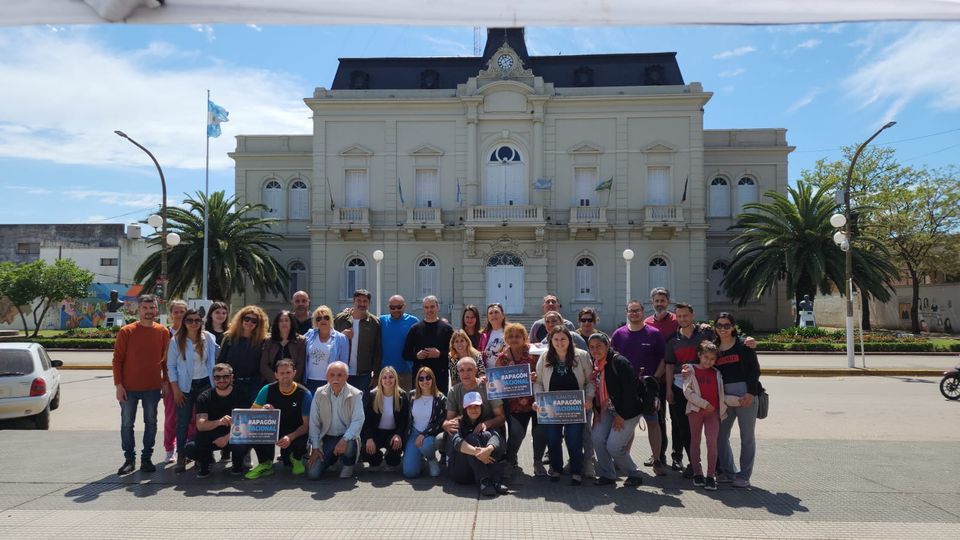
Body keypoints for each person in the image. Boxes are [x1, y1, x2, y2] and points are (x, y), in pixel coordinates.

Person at [112, 294, 171, 475]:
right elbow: (117, 360)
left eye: (152, 308)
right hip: (128, 389)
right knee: (127, 424)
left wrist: (165, 382)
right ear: (139, 310)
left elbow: (166, 362)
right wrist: (119, 385)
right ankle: (129, 459)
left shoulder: (162, 332)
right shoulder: (126, 331)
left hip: (152, 388)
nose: (149, 312)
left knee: (151, 423)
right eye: (145, 308)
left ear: (156, 309)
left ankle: (147, 459)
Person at [610, 299, 668, 476]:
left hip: (648, 389)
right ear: (626, 313)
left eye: (637, 310)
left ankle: (657, 459)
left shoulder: (654, 334)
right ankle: (624, 460)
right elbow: (612, 360)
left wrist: (655, 379)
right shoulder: (618, 334)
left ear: (643, 312)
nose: (634, 313)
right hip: (627, 390)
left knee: (653, 422)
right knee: (628, 425)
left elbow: (663, 359)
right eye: (631, 311)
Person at [534, 326, 595, 485]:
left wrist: (589, 398)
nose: (560, 342)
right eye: (556, 339)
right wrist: (538, 400)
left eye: (563, 339)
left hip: (575, 407)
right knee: (553, 439)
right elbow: (539, 382)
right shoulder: (545, 357)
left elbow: (590, 382)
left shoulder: (581, 356)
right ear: (551, 341)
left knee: (574, 439)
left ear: (570, 340)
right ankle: (556, 468)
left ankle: (576, 470)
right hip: (551, 407)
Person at [711, 312, 762, 488]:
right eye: (719, 325)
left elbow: (754, 370)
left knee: (746, 436)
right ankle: (727, 471)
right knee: (720, 436)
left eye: (726, 325)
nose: (723, 329)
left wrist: (750, 393)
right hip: (723, 396)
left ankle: (744, 474)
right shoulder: (713, 348)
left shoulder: (743, 345)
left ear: (733, 326)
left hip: (745, 395)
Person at [587, 332, 645, 487]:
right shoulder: (596, 363)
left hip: (627, 411)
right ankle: (608, 475)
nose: (595, 350)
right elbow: (598, 391)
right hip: (608, 410)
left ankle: (634, 474)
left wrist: (621, 415)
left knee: (614, 446)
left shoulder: (619, 362)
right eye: (592, 347)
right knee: (597, 438)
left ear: (607, 346)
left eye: (599, 346)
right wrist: (597, 412)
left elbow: (630, 392)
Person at [166, 308, 217, 473]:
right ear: (184, 322)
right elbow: (171, 367)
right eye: (190, 320)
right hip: (185, 387)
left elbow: (217, 357)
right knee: (183, 422)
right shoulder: (176, 341)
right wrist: (176, 390)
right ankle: (182, 455)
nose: (194, 323)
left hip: (205, 385)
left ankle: (201, 455)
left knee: (203, 423)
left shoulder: (208, 338)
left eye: (197, 320)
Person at [244, 359, 313, 479]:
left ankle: (296, 458)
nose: (285, 376)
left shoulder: (304, 393)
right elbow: (251, 415)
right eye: (282, 373)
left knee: (292, 455)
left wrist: (290, 437)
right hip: (273, 430)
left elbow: (307, 425)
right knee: (253, 432)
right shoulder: (267, 389)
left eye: (288, 372)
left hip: (296, 431)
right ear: (275, 374)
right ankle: (265, 463)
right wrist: (263, 411)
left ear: (294, 373)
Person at [182, 363, 251, 477]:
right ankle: (206, 461)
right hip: (211, 435)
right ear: (213, 379)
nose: (221, 380)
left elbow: (247, 423)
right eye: (217, 377)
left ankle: (237, 463)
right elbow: (201, 425)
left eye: (225, 376)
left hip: (234, 434)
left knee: (244, 442)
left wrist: (226, 438)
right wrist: (219, 422)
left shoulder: (241, 394)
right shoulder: (204, 397)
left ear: (231, 377)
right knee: (190, 448)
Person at [683, 340, 734, 491]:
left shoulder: (717, 373)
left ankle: (711, 475)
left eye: (712, 359)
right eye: (706, 357)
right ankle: (698, 473)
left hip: (714, 414)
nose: (708, 361)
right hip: (696, 412)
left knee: (712, 442)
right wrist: (705, 404)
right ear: (699, 355)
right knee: (695, 441)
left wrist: (739, 400)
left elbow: (722, 395)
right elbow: (687, 392)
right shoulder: (690, 370)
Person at [493, 323, 541, 474]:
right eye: (511, 336)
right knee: (517, 433)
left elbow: (545, 372)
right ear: (506, 339)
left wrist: (537, 376)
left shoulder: (535, 353)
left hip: (536, 400)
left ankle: (538, 462)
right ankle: (510, 459)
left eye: (518, 336)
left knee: (540, 433)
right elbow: (497, 382)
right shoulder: (502, 359)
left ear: (524, 338)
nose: (514, 339)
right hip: (514, 404)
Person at [307, 361, 365, 479]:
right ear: (326, 376)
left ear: (347, 377)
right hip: (327, 437)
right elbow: (314, 422)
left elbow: (358, 420)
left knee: (350, 442)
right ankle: (332, 459)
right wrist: (316, 447)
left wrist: (344, 439)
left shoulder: (355, 394)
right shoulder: (319, 393)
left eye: (340, 375)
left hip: (346, 438)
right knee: (313, 474)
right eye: (332, 375)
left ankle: (348, 465)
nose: (335, 378)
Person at [447, 391, 509, 496]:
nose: (474, 410)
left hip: (477, 467)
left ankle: (494, 479)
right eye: (470, 407)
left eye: (477, 406)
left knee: (487, 436)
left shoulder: (485, 421)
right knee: (471, 438)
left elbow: (497, 437)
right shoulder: (455, 423)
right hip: (460, 471)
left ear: (482, 407)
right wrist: (479, 452)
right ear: (464, 409)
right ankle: (485, 480)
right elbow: (457, 442)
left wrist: (488, 450)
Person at [444, 357, 506, 440]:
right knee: (440, 439)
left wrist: (486, 424)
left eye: (469, 369)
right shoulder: (454, 391)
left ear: (476, 370)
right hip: (465, 429)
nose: (465, 374)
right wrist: (446, 424)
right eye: (461, 370)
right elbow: (450, 419)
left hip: (488, 430)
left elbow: (501, 418)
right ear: (458, 373)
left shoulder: (488, 386)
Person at [361, 367, 410, 472]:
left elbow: (404, 420)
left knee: (394, 459)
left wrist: (398, 434)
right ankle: (377, 458)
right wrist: (369, 438)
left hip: (393, 433)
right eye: (385, 377)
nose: (388, 380)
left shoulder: (402, 396)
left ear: (395, 379)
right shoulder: (372, 395)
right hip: (376, 433)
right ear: (380, 380)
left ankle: (390, 457)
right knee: (366, 451)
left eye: (391, 377)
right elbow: (366, 420)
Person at [218, 306, 269, 405]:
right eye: (247, 319)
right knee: (234, 415)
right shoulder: (229, 338)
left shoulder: (263, 341)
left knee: (253, 416)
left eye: (254, 321)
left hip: (255, 384)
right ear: (241, 319)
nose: (249, 322)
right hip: (233, 383)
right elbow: (221, 361)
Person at [403, 295, 454, 393]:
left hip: (440, 377)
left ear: (437, 307)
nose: (429, 310)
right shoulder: (415, 329)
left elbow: (454, 353)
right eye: (426, 307)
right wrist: (417, 355)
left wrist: (440, 354)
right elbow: (405, 354)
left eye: (432, 307)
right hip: (421, 378)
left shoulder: (447, 329)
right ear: (423, 309)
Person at [403, 366, 447, 478]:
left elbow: (439, 423)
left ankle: (431, 459)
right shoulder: (411, 395)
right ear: (417, 381)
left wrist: (424, 434)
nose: (425, 381)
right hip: (414, 433)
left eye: (428, 378)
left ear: (433, 379)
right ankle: (419, 459)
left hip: (431, 435)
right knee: (410, 472)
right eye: (421, 379)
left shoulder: (441, 399)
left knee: (426, 444)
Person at [334, 289, 382, 390]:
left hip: (364, 374)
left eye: (365, 301)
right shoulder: (340, 319)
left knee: (362, 404)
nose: (362, 304)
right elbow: (329, 342)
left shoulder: (374, 323)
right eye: (359, 301)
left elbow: (377, 350)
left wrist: (376, 374)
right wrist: (342, 336)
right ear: (353, 301)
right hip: (342, 372)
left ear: (369, 303)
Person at [162, 299, 188, 464]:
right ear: (171, 314)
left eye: (182, 311)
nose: (179, 314)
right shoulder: (165, 333)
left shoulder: (194, 331)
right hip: (171, 382)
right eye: (176, 311)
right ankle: (169, 449)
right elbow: (162, 361)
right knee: (171, 417)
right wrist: (164, 381)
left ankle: (185, 448)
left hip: (191, 382)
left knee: (190, 418)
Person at [303, 305, 350, 393]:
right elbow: (297, 342)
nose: (323, 320)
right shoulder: (309, 334)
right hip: (310, 381)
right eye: (319, 319)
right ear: (315, 322)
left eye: (326, 317)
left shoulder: (341, 338)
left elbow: (344, 364)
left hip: (330, 382)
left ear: (331, 320)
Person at [379, 295, 419, 390]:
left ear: (404, 306)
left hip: (405, 372)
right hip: (385, 373)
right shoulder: (381, 321)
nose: (396, 310)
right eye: (393, 307)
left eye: (399, 307)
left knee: (405, 402)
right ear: (389, 307)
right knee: (386, 402)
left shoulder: (413, 321)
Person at [260, 310, 306, 383]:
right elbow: (264, 365)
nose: (284, 323)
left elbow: (300, 366)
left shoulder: (301, 341)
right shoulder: (269, 341)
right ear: (277, 324)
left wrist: (289, 382)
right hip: (272, 383)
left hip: (293, 383)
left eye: (286, 320)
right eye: (281, 321)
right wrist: (276, 381)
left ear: (291, 323)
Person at [479, 303, 508, 369]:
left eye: (496, 312)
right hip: (488, 373)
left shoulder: (511, 331)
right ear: (488, 318)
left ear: (503, 315)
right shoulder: (483, 334)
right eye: (490, 313)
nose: (493, 315)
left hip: (506, 371)